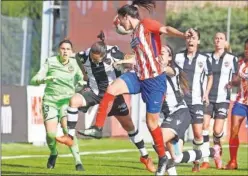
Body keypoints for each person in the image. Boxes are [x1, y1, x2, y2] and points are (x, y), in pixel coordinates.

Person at [80, 4, 194, 175]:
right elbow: (122, 29)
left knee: (151, 123)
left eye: (121, 19)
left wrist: (183, 34)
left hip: (154, 80)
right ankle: (97, 127)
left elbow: (165, 28)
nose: (120, 23)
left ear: (127, 16)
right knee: (112, 89)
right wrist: (116, 21)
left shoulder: (146, 24)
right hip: (138, 76)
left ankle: (163, 157)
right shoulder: (133, 32)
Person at [55, 32, 156, 173]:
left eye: (98, 61)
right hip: (94, 92)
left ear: (103, 55)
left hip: (112, 94)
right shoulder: (83, 56)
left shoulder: (113, 52)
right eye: (93, 60)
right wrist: (85, 77)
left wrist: (122, 64)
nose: (95, 62)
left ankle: (145, 157)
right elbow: (78, 61)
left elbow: (131, 58)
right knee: (74, 100)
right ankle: (70, 136)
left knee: (129, 127)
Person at [30, 39, 85, 171]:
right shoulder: (50, 62)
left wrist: (82, 82)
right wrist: (44, 79)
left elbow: (80, 78)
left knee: (68, 131)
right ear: (58, 50)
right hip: (51, 101)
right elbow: (33, 80)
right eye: (62, 48)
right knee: (50, 134)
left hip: (67, 102)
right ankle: (54, 152)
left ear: (71, 52)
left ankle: (78, 162)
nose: (65, 51)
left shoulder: (74, 64)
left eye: (68, 49)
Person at [174, 29, 213, 172]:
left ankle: (196, 160)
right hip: (180, 101)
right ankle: (175, 160)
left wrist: (206, 94)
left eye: (193, 38)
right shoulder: (178, 57)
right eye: (188, 38)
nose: (190, 40)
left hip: (196, 101)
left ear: (198, 41)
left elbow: (210, 77)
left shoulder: (204, 59)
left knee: (198, 134)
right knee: (178, 132)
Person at [201, 32, 238, 169]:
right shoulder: (206, 57)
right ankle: (205, 159)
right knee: (204, 126)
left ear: (225, 42)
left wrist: (232, 83)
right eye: (216, 38)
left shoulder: (232, 58)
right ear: (213, 41)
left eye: (221, 38)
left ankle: (217, 151)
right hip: (208, 97)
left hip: (223, 98)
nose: (218, 40)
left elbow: (237, 77)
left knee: (217, 131)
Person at [224, 38, 248, 170]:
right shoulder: (240, 64)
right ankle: (233, 161)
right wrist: (231, 83)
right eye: (245, 48)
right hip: (240, 102)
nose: (247, 51)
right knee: (233, 131)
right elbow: (237, 79)